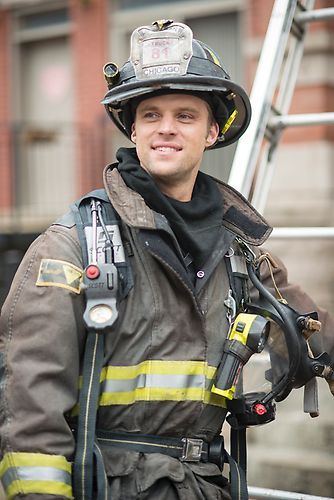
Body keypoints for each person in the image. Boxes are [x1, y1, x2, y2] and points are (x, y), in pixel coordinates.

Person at [0, 19, 333, 500]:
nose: (166, 129)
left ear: (213, 131)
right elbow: (28, 412)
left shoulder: (238, 250)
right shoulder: (73, 245)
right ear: (132, 127)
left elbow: (308, 329)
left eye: (185, 115)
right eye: (151, 114)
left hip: (205, 486)